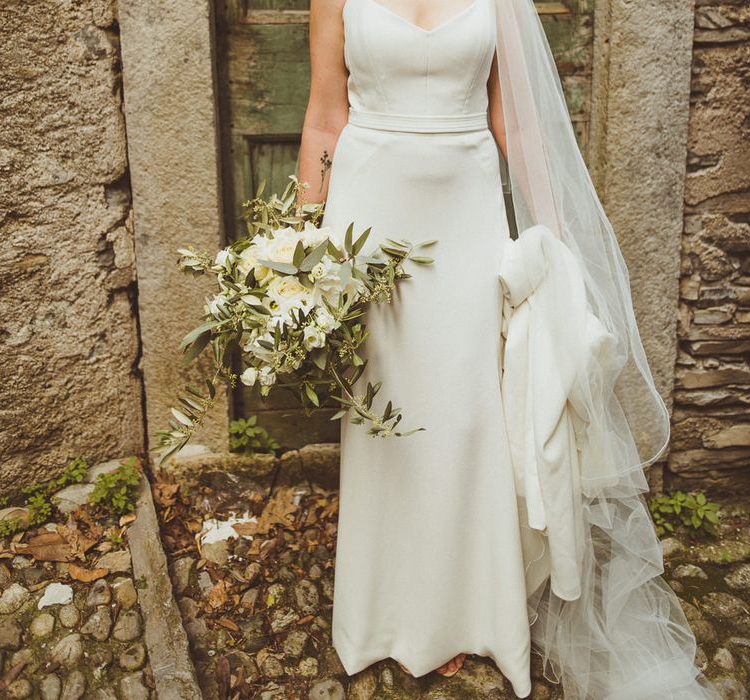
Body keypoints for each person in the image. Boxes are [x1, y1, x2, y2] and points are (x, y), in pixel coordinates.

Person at [295, 0, 722, 697]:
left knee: (468, 411)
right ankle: (383, 613)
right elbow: (323, 114)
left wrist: (555, 240)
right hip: (367, 219)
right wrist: (304, 241)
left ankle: (469, 611)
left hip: (465, 213)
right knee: (386, 414)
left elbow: (515, 121)